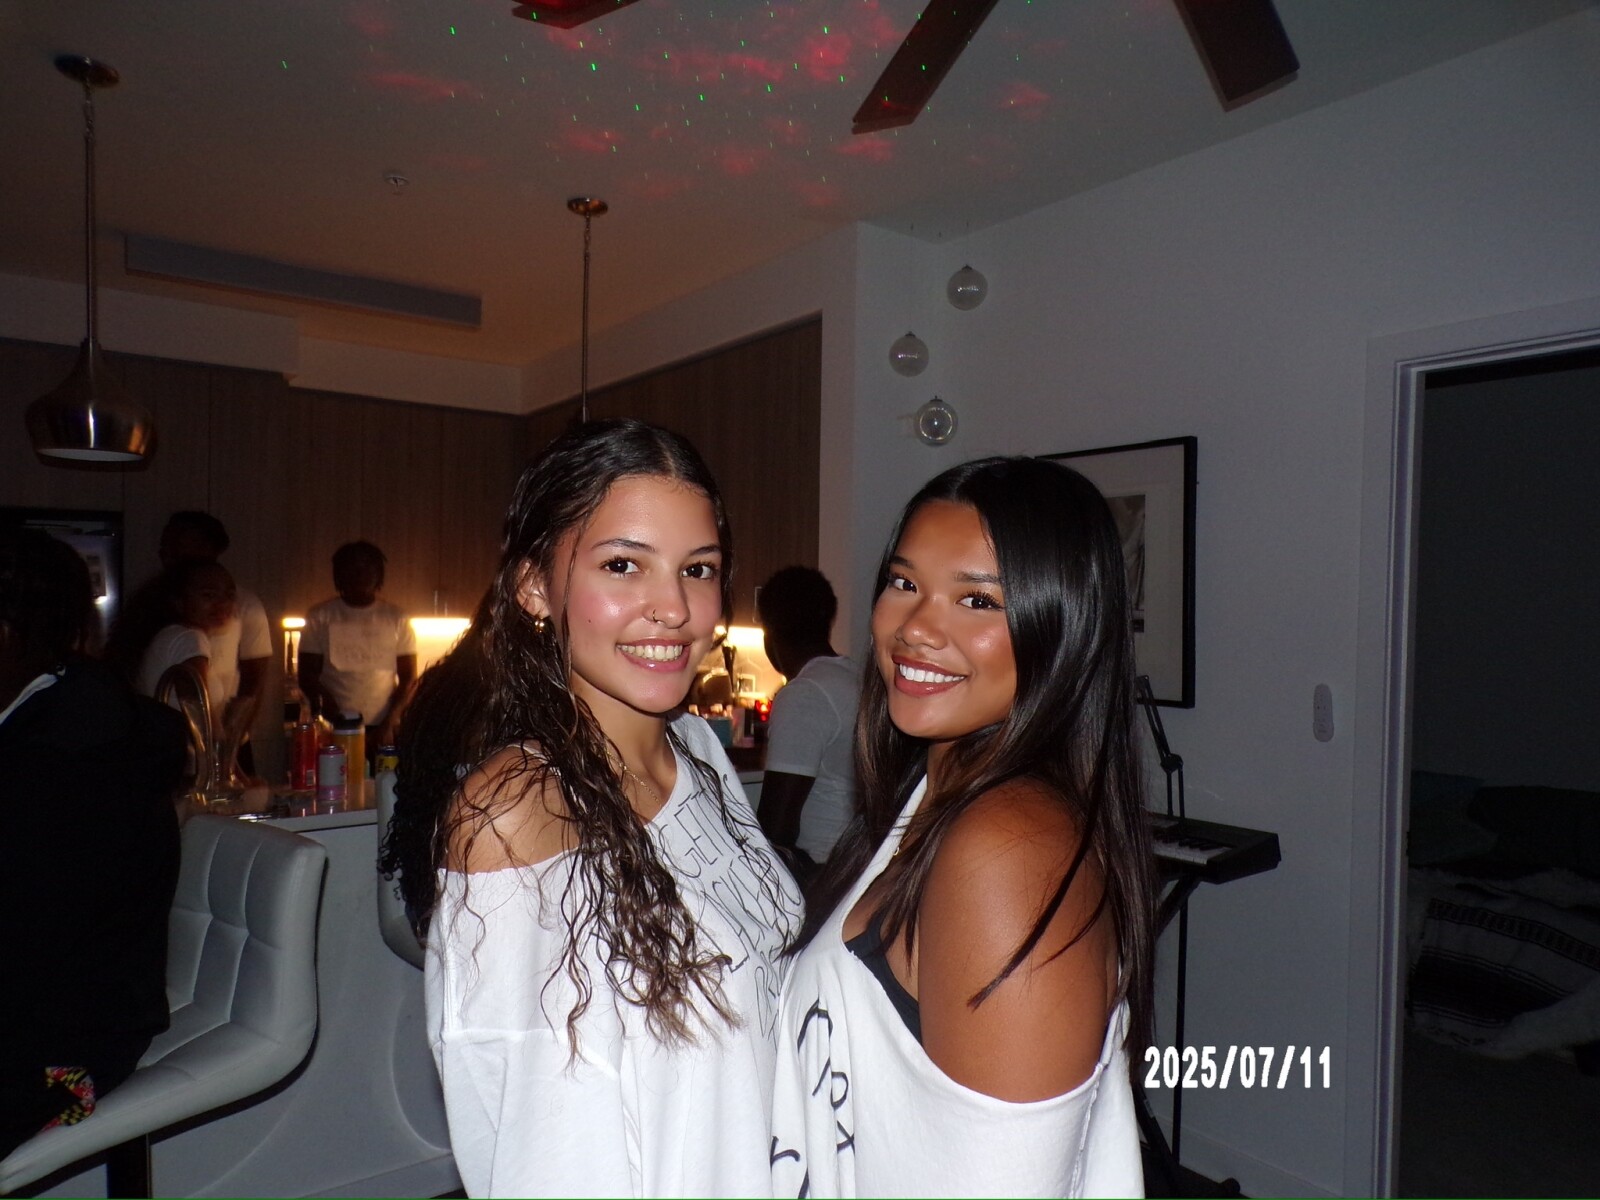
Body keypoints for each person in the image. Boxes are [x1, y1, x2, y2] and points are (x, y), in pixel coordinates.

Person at [380, 419, 803, 1198]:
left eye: (698, 569)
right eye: (623, 565)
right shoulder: (518, 814)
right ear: (534, 587)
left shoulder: (697, 752)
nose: (673, 608)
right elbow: (545, 1155)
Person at [770, 457, 1157, 1197]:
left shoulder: (1008, 848)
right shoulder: (933, 795)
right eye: (904, 583)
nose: (916, 627)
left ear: (1062, 628)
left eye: (977, 600)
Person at [0, 529, 185, 1157]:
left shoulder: (71, 763)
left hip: (66, 1063)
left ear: (7, 637)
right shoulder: (52, 719)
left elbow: (30, 944)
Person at [755, 565, 860, 883]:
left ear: (769, 634)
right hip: (854, 864)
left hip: (817, 873)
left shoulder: (805, 693)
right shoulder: (855, 676)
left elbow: (776, 829)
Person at [159, 511, 272, 772]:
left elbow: (254, 680)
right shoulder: (172, 621)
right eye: (166, 545)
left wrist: (234, 740)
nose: (168, 552)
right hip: (187, 747)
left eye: (180, 543)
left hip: (222, 738)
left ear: (209, 549)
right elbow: (194, 701)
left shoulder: (244, 604)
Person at [298, 540, 416, 751]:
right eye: (351, 568)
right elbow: (307, 676)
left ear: (379, 574)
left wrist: (388, 724)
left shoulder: (397, 618)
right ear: (338, 575)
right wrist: (337, 719)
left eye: (367, 568)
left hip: (384, 728)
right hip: (334, 726)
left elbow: (408, 678)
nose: (360, 575)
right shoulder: (320, 617)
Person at [103, 559, 238, 725]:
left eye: (229, 595)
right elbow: (195, 704)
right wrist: (219, 736)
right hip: (179, 739)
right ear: (179, 601)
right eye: (209, 595)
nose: (223, 603)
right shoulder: (189, 638)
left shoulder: (169, 635)